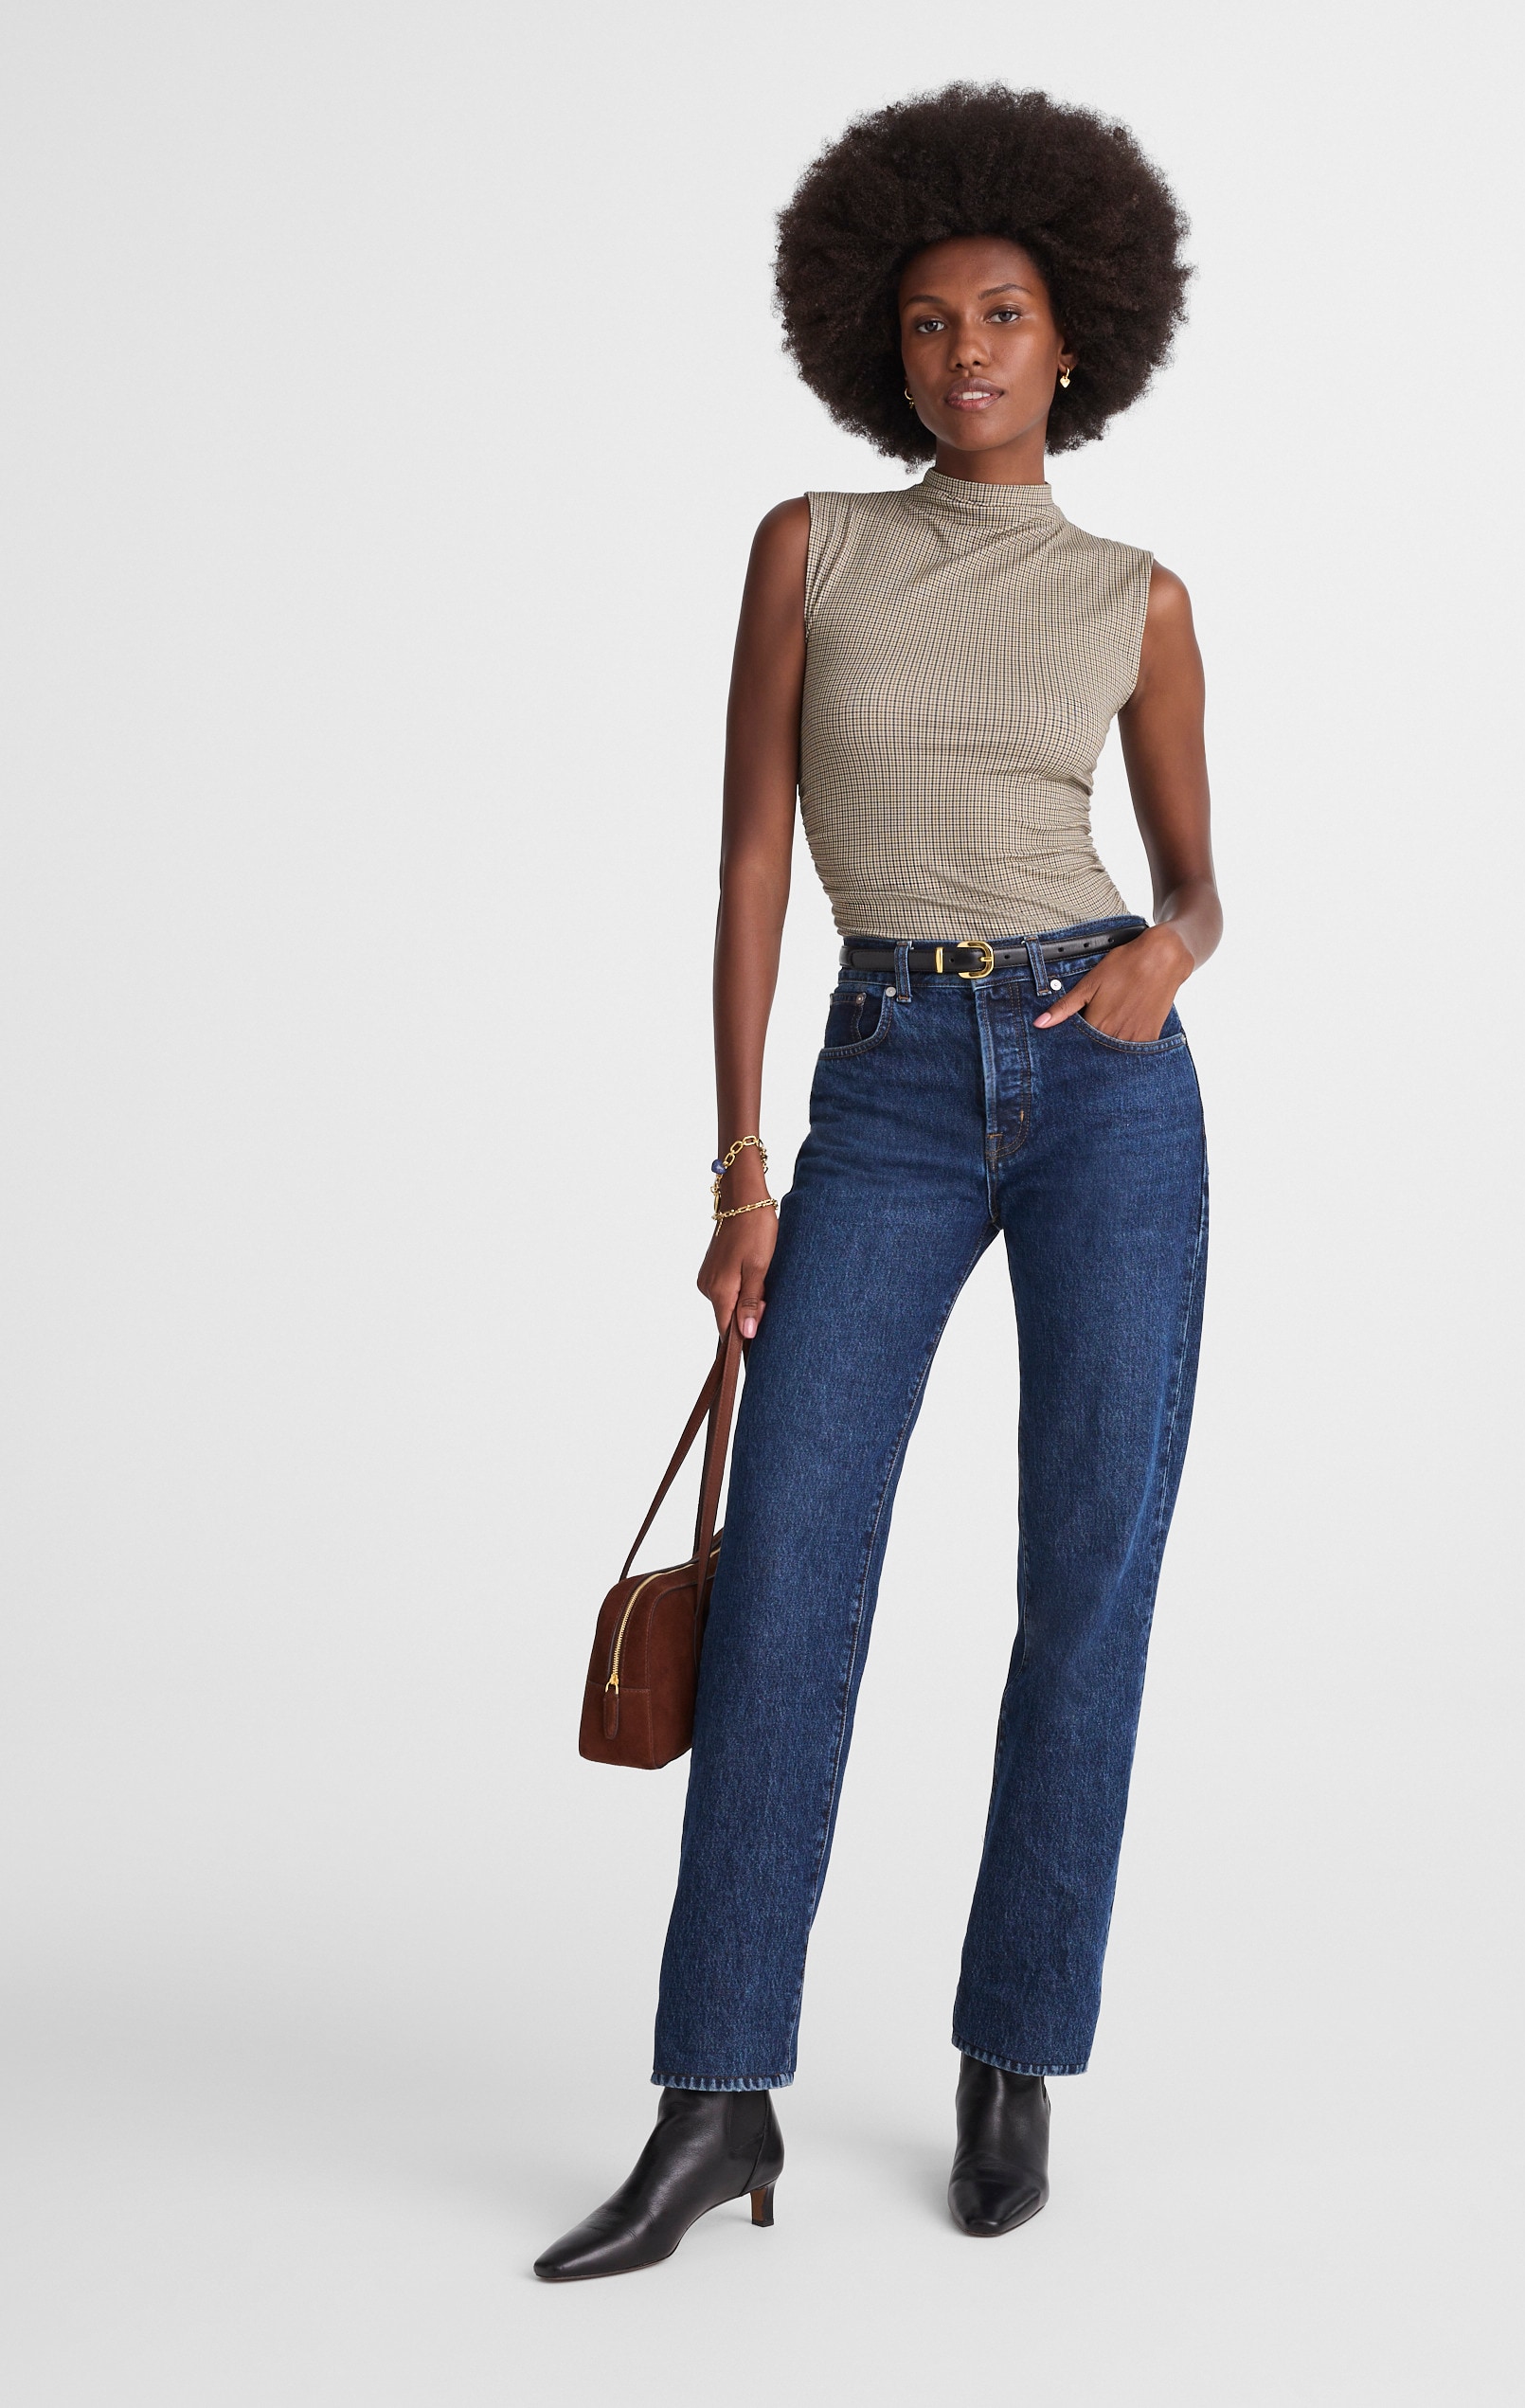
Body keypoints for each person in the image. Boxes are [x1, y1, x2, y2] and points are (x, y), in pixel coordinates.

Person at [535, 81, 1219, 2280]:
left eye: (1000, 314)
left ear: (1073, 333)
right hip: (886, 1080)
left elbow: (1197, 884)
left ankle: (1015, 2045)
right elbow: (753, 853)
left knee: (1086, 1572)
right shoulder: (809, 545)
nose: (963, 351)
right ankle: (713, 2090)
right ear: (877, 345)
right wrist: (742, 1160)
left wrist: (1166, 959)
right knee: (789, 1577)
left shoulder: (1136, 595)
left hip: (1106, 1090)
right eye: (927, 321)